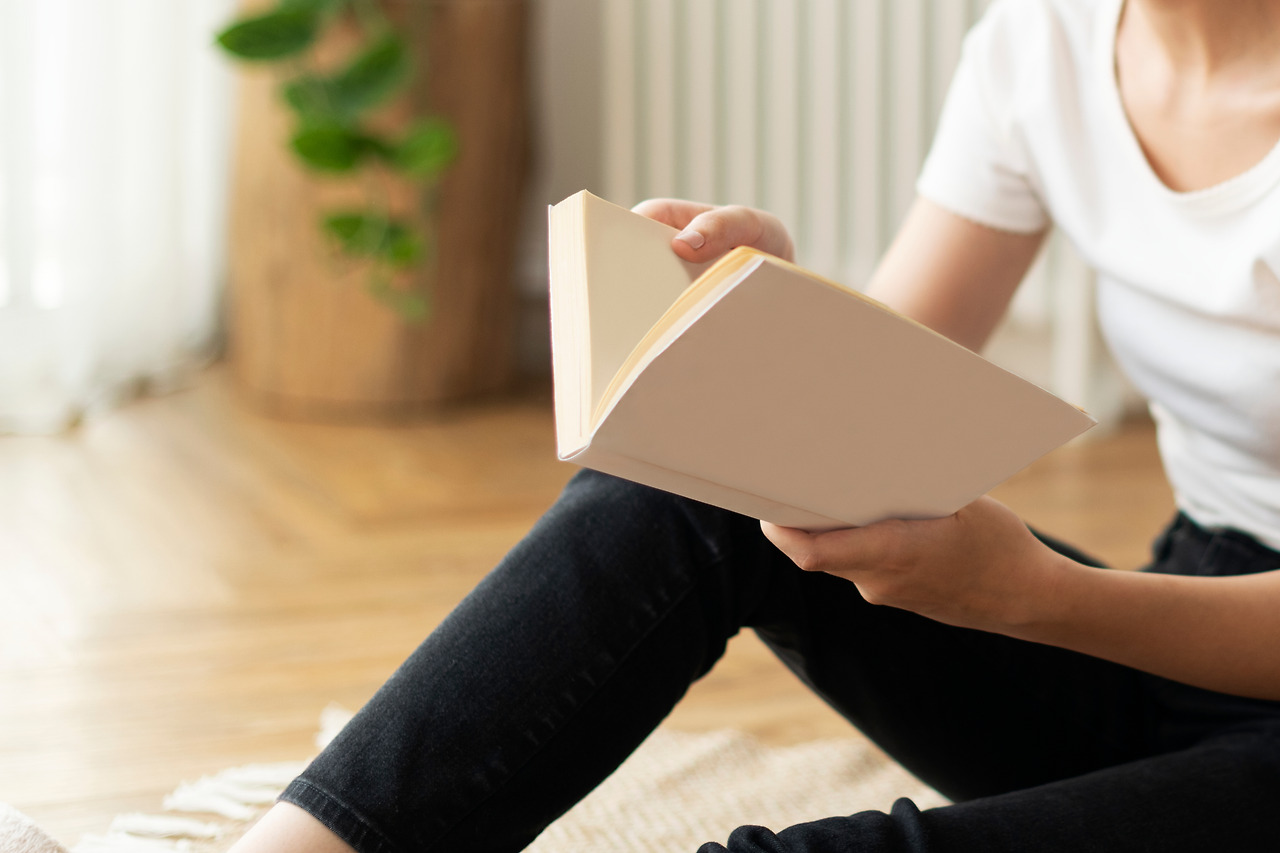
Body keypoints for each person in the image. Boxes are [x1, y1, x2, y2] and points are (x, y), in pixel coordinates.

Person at [227, 0, 1280, 849]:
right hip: (1177, 620)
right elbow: (881, 406)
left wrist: (1036, 594)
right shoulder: (1040, 45)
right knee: (702, 478)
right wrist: (771, 321)